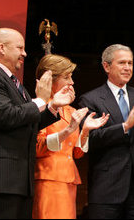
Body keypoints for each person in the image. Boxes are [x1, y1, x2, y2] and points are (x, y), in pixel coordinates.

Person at [0, 28, 75, 219]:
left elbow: (26, 124)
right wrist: (40, 100)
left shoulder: (12, 81)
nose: (24, 53)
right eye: (20, 48)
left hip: (19, 181)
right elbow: (5, 116)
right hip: (3, 180)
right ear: (2, 48)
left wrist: (52, 107)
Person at [78, 44, 134, 219]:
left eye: (130, 63)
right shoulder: (91, 99)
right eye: (122, 63)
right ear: (106, 66)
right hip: (106, 189)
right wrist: (124, 127)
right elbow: (90, 141)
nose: (127, 68)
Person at [32, 54, 109, 219]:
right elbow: (37, 147)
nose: (72, 82)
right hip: (47, 179)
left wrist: (85, 130)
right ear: (50, 80)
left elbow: (76, 154)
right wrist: (68, 130)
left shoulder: (70, 111)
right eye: (66, 77)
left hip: (69, 180)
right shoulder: (39, 107)